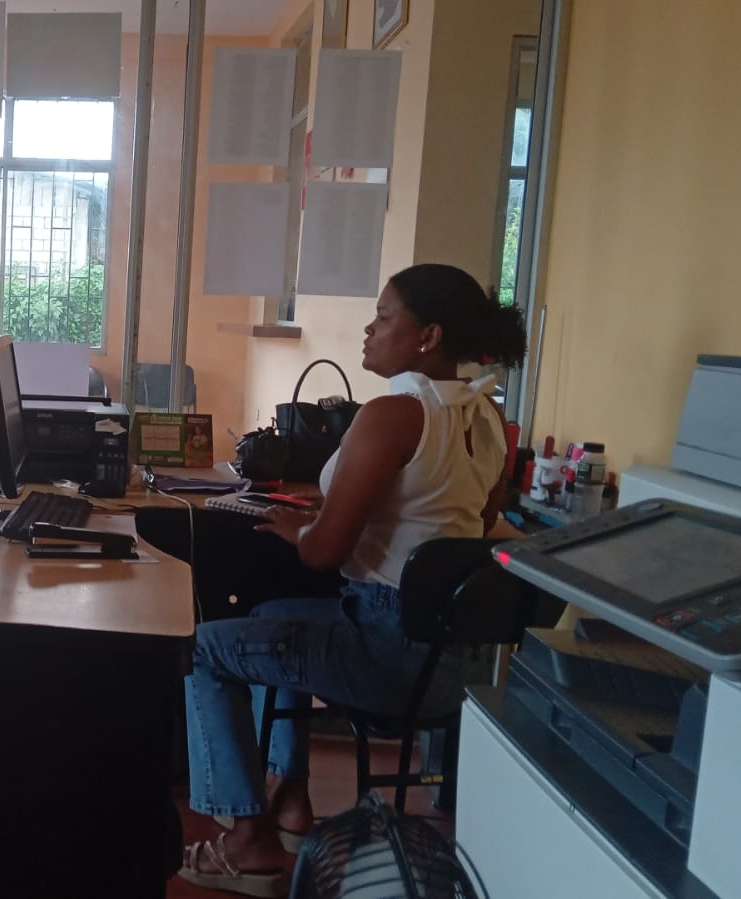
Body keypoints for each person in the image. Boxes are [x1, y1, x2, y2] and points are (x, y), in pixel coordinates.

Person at [177, 263, 527, 896]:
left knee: (202, 648)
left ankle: (248, 842)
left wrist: (305, 530)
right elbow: (468, 523)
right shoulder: (486, 419)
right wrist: (338, 516)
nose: (369, 329)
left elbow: (323, 555)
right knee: (266, 618)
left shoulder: (394, 413)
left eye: (385, 317)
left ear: (428, 337)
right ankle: (289, 798)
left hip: (385, 650)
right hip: (451, 661)